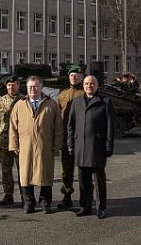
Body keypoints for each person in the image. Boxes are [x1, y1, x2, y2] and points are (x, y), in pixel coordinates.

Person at [9, 76, 63, 214]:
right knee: (25, 176)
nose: (33, 89)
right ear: (26, 88)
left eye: (36, 86)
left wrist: (57, 144)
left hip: (44, 145)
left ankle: (45, 203)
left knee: (45, 174)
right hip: (25, 146)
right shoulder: (19, 104)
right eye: (30, 87)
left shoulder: (51, 104)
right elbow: (13, 127)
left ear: (41, 87)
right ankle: (29, 203)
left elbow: (58, 126)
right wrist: (14, 144)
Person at [67, 75, 115, 219]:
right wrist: (70, 145)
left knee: (99, 181)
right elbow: (70, 126)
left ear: (97, 85)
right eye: (87, 83)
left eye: (92, 83)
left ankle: (101, 207)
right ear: (83, 85)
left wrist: (108, 146)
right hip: (81, 147)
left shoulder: (105, 102)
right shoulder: (76, 102)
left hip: (97, 147)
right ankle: (85, 206)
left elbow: (110, 127)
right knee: (83, 180)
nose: (89, 86)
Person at [56, 65, 84, 209]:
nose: (74, 77)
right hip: (65, 138)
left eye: (77, 75)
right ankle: (67, 196)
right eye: (72, 75)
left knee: (84, 169)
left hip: (81, 138)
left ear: (82, 77)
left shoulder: (85, 93)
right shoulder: (62, 95)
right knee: (66, 170)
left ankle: (86, 198)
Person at [0, 75, 23, 206]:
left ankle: (25, 195)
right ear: (6, 87)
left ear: (18, 86)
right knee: (6, 168)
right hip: (4, 138)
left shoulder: (23, 100)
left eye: (14, 85)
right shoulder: (1, 101)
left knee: (22, 168)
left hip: (20, 138)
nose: (11, 87)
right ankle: (8, 194)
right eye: (9, 85)